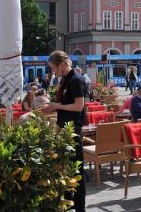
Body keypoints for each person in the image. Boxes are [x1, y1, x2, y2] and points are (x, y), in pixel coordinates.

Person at [41, 50, 88, 212]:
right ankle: (69, 205)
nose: (53, 72)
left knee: (76, 171)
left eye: (54, 68)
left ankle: (79, 208)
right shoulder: (66, 79)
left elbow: (78, 106)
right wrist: (52, 108)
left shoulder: (76, 79)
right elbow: (67, 105)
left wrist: (56, 106)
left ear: (62, 64)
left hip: (73, 129)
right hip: (66, 129)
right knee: (67, 171)